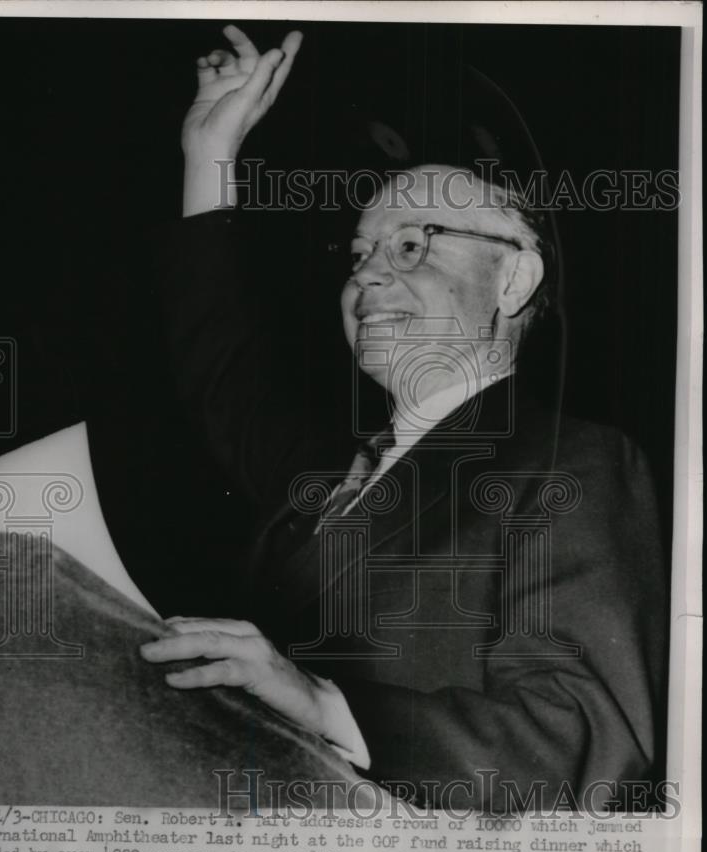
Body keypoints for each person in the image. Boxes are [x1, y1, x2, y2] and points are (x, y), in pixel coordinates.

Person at [140, 26, 666, 811]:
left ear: (515, 277)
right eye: (359, 252)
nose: (367, 275)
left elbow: (582, 738)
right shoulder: (326, 472)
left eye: (414, 244)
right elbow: (221, 367)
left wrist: (323, 706)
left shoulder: (568, 463)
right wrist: (210, 153)